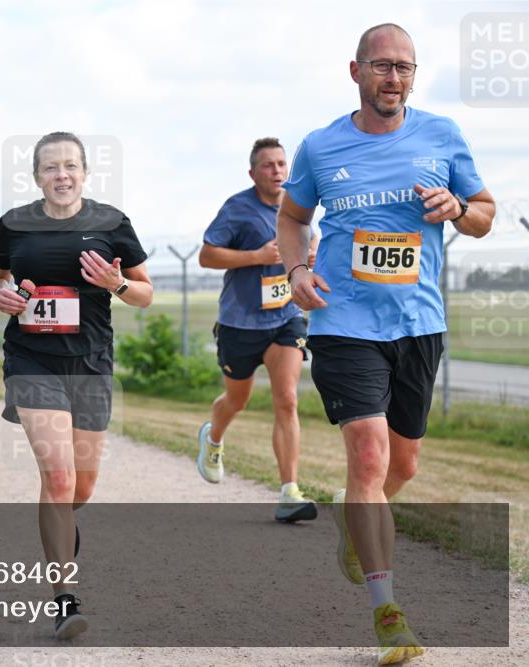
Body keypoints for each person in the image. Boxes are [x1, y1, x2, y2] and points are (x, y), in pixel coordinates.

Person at [277, 23, 495, 666]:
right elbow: (293, 219)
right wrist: (295, 272)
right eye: (382, 66)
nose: (393, 78)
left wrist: (458, 208)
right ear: (356, 71)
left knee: (403, 467)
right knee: (369, 460)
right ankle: (388, 612)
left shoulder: (443, 135)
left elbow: (485, 214)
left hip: (418, 325)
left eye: (404, 67)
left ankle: (356, 520)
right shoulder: (321, 146)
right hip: (343, 324)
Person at [0, 132, 153, 639]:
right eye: (51, 167)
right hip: (31, 360)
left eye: (70, 166)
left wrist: (115, 284)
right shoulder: (15, 224)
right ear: (36, 176)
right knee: (57, 479)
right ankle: (64, 598)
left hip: (91, 364)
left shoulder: (112, 223)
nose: (61, 175)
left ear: (84, 172)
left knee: (79, 488)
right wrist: (0, 295)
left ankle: (58, 526)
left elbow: (144, 294)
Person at [196, 137, 319, 523]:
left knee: (286, 398)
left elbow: (309, 239)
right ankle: (213, 438)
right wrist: (257, 257)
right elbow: (207, 254)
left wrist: (312, 252)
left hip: (285, 316)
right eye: (268, 165)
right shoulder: (238, 209)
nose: (277, 171)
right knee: (238, 400)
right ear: (253, 173)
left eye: (282, 164)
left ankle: (289, 492)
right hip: (240, 322)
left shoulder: (296, 206)